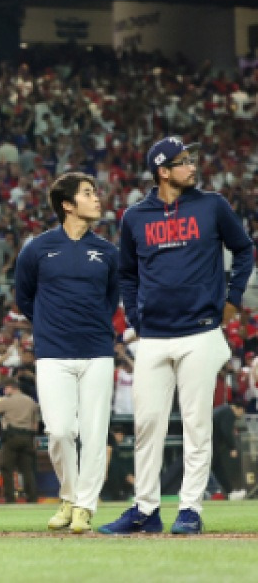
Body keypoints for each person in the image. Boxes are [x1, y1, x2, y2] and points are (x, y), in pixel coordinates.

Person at [101, 137, 254, 535]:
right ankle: (145, 509)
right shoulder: (135, 216)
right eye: (183, 162)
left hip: (200, 333)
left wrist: (233, 298)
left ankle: (190, 509)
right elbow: (127, 274)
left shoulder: (212, 205)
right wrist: (135, 317)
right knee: (147, 425)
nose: (192, 166)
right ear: (163, 171)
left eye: (191, 160)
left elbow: (244, 249)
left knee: (196, 424)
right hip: (152, 337)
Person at [13, 171, 120, 534]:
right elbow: (23, 297)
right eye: (89, 193)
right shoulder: (37, 248)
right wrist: (51, 325)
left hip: (97, 351)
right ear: (68, 204)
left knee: (93, 432)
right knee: (59, 431)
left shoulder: (107, 251)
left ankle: (85, 506)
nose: (97, 198)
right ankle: (70, 494)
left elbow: (111, 299)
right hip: (53, 352)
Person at [0, 378, 39, 504]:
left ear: (10, 387)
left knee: (7, 468)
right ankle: (32, 498)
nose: (4, 390)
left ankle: (10, 499)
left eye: (5, 388)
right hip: (28, 437)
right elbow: (35, 424)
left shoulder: (7, 401)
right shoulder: (31, 401)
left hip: (11, 437)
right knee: (27, 470)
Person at [211, 398, 248, 501]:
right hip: (210, 442)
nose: (242, 414)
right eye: (243, 411)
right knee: (213, 468)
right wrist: (232, 447)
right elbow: (226, 431)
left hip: (208, 441)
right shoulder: (229, 413)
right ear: (239, 409)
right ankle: (228, 492)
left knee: (218, 468)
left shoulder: (223, 410)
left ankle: (230, 492)